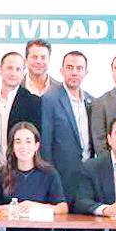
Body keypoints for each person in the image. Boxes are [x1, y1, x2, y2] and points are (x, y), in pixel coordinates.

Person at [0, 122, 69, 223]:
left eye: (28, 142)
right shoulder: (1, 173)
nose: (23, 146)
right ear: (12, 146)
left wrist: (35, 206)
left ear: (36, 146)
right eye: (18, 142)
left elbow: (62, 208)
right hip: (8, 230)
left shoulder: (49, 173)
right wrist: (11, 208)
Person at [40, 51, 96, 192]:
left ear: (86, 72)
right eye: (70, 68)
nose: (74, 73)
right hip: (61, 175)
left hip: (89, 173)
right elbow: (45, 143)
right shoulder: (49, 99)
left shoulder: (92, 101)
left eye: (79, 68)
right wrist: (50, 176)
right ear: (62, 71)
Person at [0, 51, 42, 165]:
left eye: (18, 69)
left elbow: (36, 139)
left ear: (23, 73)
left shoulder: (33, 102)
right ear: (0, 70)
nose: (13, 73)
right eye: (9, 68)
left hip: (20, 167)